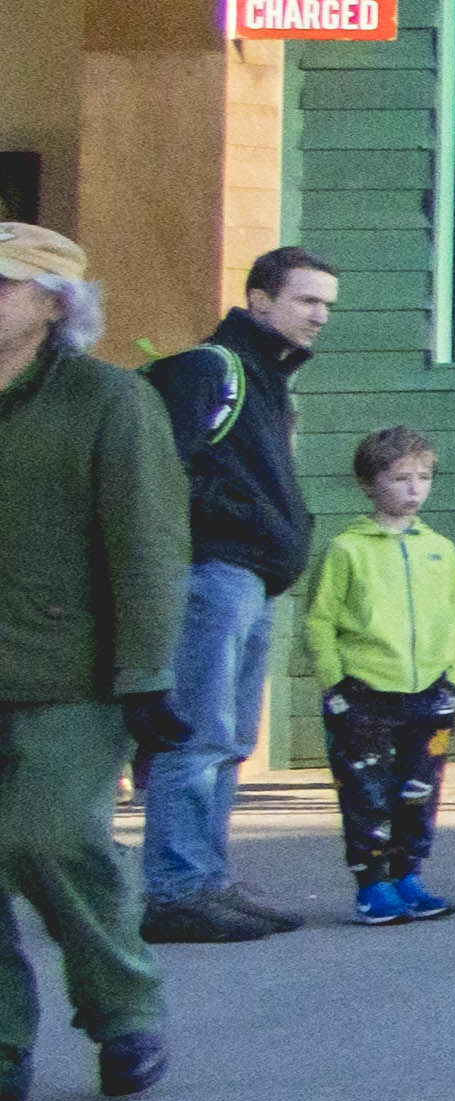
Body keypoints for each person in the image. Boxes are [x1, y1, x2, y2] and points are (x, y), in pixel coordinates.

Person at [0, 220, 186, 1097]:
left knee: (52, 837)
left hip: (70, 673)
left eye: (3, 285)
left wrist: (147, 677)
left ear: (54, 304)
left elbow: (147, 546)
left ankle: (125, 1008)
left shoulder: (110, 402)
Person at [133, 242, 336, 944]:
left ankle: (208, 880)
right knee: (197, 734)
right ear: (259, 299)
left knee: (230, 738)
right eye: (307, 299)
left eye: (327, 304)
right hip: (212, 574)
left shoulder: (266, 378)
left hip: (248, 579)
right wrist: (226, 523)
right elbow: (157, 471)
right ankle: (177, 890)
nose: (321, 315)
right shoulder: (210, 369)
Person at [301, 423, 455, 924]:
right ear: (368, 484)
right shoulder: (346, 549)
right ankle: (372, 883)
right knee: (366, 791)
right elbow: (320, 619)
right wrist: (335, 682)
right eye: (400, 478)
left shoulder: (440, 548)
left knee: (419, 789)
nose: (414, 489)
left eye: (423, 477)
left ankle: (408, 875)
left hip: (431, 691)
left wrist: (454, 676)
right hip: (365, 692)